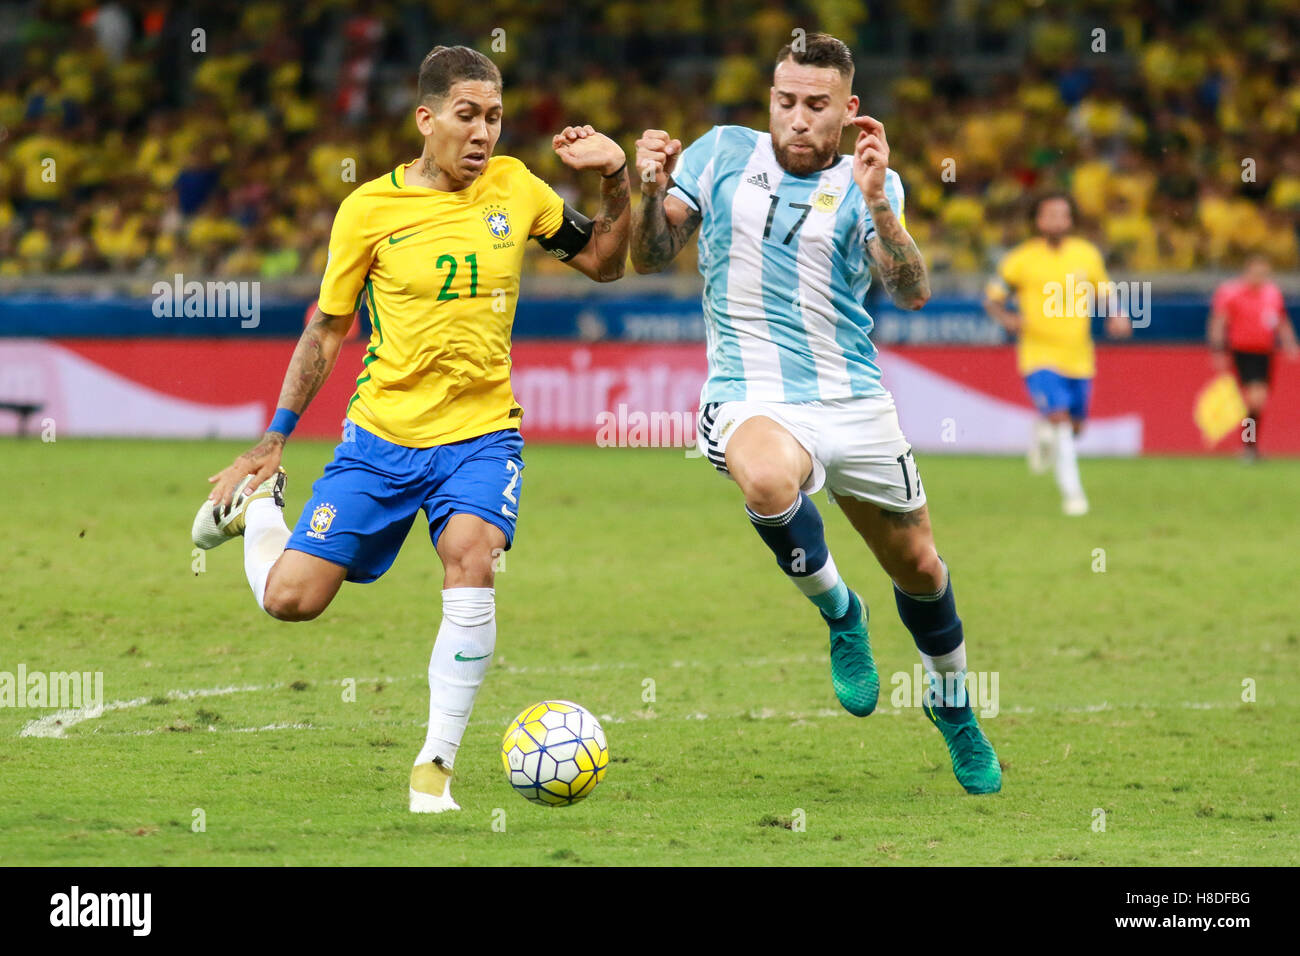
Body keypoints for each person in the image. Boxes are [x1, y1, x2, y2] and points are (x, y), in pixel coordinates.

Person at [190, 45, 630, 813]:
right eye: (467, 116)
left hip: (481, 435)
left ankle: (435, 769)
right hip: (380, 441)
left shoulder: (518, 188)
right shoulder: (368, 210)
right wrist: (274, 438)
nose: (483, 133)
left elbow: (605, 261)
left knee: (472, 556)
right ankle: (257, 510)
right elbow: (327, 330)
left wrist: (617, 178)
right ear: (425, 119)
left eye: (494, 117)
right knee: (292, 601)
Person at [630, 33, 1000, 794]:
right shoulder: (721, 154)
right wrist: (647, 186)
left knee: (923, 570)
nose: (797, 119)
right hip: (751, 391)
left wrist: (875, 203)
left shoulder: (873, 181)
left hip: (853, 399)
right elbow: (651, 254)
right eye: (785, 101)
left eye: (816, 106)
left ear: (849, 110)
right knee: (766, 482)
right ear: (771, 98)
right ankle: (841, 614)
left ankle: (954, 705)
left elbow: (911, 290)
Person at [984, 193, 1132, 515]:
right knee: (1061, 419)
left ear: (1070, 221)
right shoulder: (1020, 259)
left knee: (1075, 427)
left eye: (1062, 215)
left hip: (1079, 356)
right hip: (1038, 354)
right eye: (1049, 214)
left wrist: (1117, 314)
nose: (1056, 220)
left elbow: (1105, 291)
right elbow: (992, 298)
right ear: (1038, 221)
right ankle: (1073, 494)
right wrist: (1007, 318)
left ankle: (1045, 431)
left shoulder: (1086, 254)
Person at [1208, 254, 1299, 460]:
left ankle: (1250, 446)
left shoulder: (1272, 294)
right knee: (1254, 398)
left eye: (1265, 274)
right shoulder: (1231, 292)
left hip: (1265, 352)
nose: (1261, 277)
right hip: (1243, 352)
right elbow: (1219, 321)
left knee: (1259, 401)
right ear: (1247, 271)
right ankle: (1248, 446)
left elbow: (1281, 320)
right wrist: (1218, 349)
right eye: (1258, 272)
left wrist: (1289, 343)